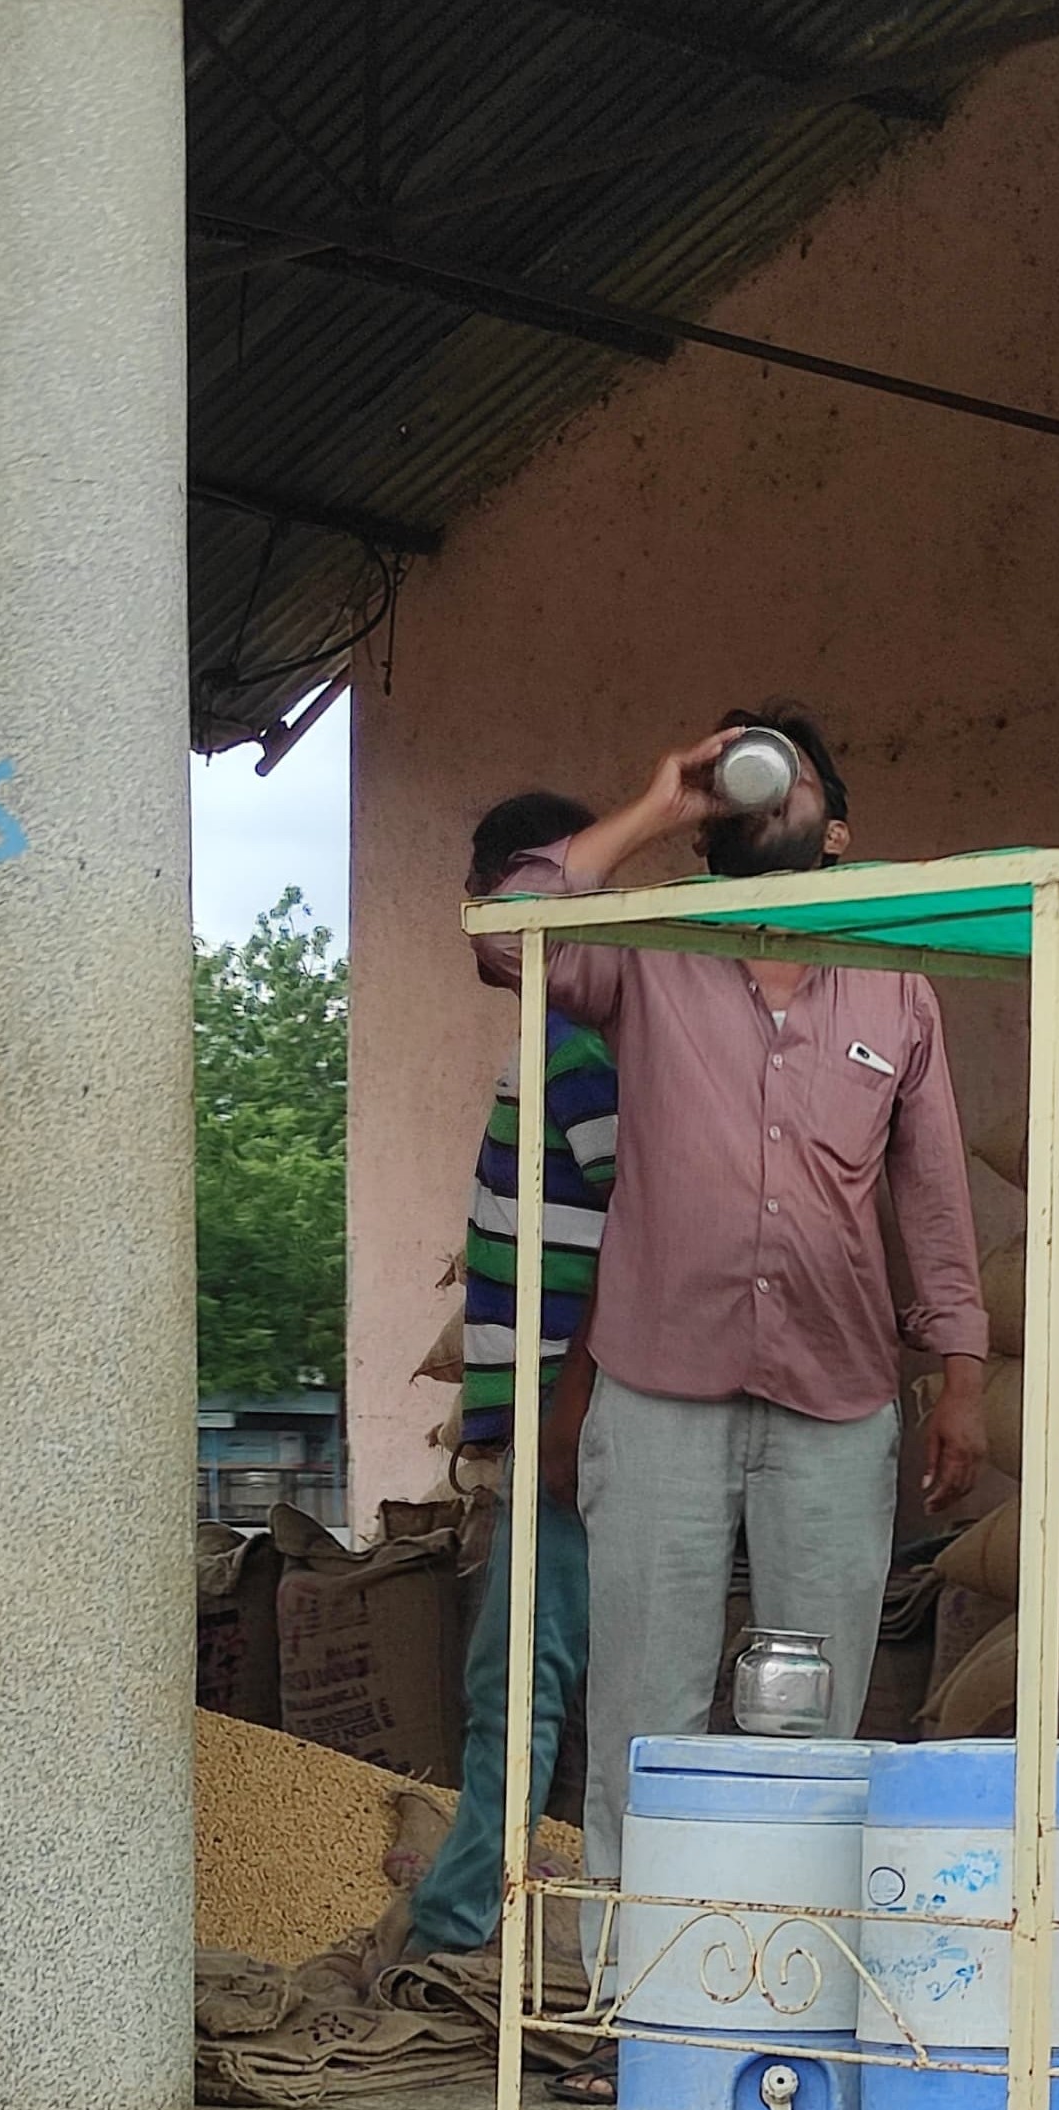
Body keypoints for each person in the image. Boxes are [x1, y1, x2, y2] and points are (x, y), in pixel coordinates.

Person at [469, 703, 988, 2099]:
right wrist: (655, 803)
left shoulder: (895, 987)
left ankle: (798, 2007)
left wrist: (961, 1372)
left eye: (786, 771)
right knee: (645, 1709)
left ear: (837, 828)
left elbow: (932, 1196)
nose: (762, 788)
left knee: (816, 1722)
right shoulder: (646, 948)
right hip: (660, 1383)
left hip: (836, 1393)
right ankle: (636, 2015)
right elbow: (503, 932)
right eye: (740, 773)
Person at [404, 793, 617, 1958]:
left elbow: (641, 1223)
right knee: (521, 1674)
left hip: (565, 1410)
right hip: (549, 1409)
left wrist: (568, 1405)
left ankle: (460, 1920)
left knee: (517, 1679)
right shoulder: (553, 1037)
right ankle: (473, 1906)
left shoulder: (575, 1041)